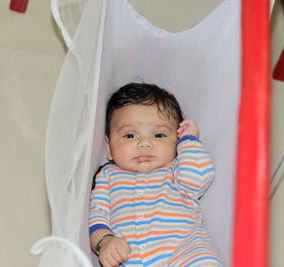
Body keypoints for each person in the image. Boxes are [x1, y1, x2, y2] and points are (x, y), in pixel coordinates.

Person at [89, 83, 221, 266]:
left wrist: (189, 142)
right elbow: (98, 214)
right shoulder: (108, 176)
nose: (145, 143)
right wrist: (105, 241)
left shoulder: (177, 168)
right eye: (129, 136)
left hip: (184, 251)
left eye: (159, 135)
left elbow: (198, 179)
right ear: (109, 147)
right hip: (129, 259)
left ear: (176, 142)